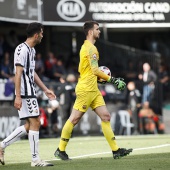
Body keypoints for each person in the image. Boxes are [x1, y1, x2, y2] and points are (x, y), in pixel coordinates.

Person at [54, 21, 132, 160]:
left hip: (93, 89)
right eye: (97, 29)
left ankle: (116, 151)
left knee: (106, 116)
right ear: (90, 32)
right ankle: (60, 149)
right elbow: (95, 70)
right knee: (74, 119)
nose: (99, 31)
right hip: (85, 89)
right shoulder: (90, 48)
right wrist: (112, 80)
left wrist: (97, 78)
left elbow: (85, 69)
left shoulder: (86, 47)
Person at [0, 22, 56, 167]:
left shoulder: (31, 50)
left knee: (28, 125)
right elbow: (18, 73)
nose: (43, 36)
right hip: (25, 93)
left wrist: (45, 89)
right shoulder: (21, 49)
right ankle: (35, 159)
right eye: (42, 33)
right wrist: (18, 96)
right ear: (36, 35)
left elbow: (32, 72)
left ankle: (2, 145)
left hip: (30, 91)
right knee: (35, 122)